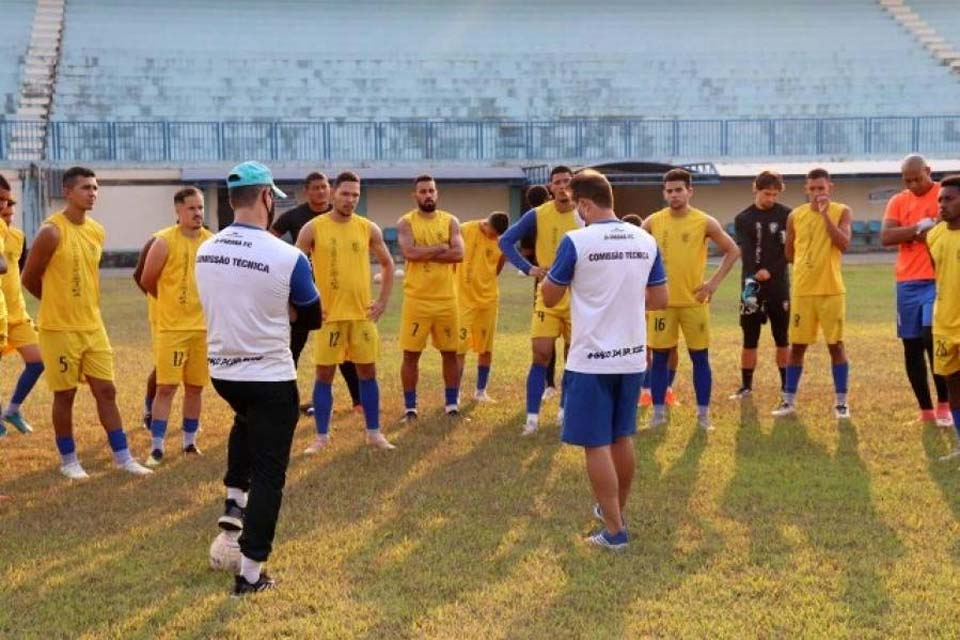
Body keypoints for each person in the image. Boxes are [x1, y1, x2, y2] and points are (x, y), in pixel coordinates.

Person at [195, 161, 322, 596]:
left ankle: (234, 497)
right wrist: (285, 308)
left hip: (223, 373)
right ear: (267, 198)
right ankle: (250, 575)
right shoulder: (287, 256)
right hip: (269, 375)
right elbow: (313, 316)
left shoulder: (205, 249)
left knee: (243, 420)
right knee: (271, 473)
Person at [541, 169, 668, 549]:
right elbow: (660, 300)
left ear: (584, 204)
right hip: (630, 356)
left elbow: (550, 297)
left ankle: (614, 530)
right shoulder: (645, 239)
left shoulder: (576, 241)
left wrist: (553, 275)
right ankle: (614, 511)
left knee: (595, 443)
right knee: (621, 436)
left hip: (591, 358)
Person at [21, 166, 153, 478]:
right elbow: (29, 278)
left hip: (94, 327)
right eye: (85, 188)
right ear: (67, 192)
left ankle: (124, 457)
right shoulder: (51, 231)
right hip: (60, 330)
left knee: (107, 391)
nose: (92, 193)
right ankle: (69, 461)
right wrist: (58, 306)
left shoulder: (96, 230)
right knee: (65, 395)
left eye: (95, 188)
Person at [296, 171, 396, 452]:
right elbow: (293, 266)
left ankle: (374, 433)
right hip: (329, 318)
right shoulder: (313, 228)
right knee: (324, 375)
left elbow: (388, 265)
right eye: (345, 194)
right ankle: (321, 437)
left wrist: (382, 302)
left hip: (361, 316)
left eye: (355, 195)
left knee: (368, 373)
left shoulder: (368, 228)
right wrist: (309, 304)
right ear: (333, 194)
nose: (350, 200)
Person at [643, 168, 740, 430]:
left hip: (694, 303)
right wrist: (643, 288)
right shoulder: (652, 222)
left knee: (700, 358)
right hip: (662, 304)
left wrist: (712, 284)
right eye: (669, 191)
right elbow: (637, 254)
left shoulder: (704, 221)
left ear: (689, 191)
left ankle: (703, 416)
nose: (674, 195)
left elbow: (732, 250)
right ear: (664, 193)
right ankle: (658, 413)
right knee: (660, 358)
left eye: (679, 190)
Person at [271, 171, 361, 416]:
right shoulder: (294, 217)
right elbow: (270, 240)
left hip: (336, 296)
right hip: (303, 293)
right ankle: (287, 402)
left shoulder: (342, 215)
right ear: (306, 191)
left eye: (324, 187)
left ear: (330, 190)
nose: (321, 192)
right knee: (294, 348)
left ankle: (358, 401)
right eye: (316, 188)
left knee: (342, 351)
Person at [499, 166, 580, 436]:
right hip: (547, 295)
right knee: (541, 355)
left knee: (574, 359)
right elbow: (506, 241)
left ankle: (565, 412)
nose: (563, 186)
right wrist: (529, 268)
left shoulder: (585, 214)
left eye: (568, 181)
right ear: (550, 187)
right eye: (558, 182)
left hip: (580, 297)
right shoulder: (538, 214)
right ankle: (531, 420)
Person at [138, 187, 214, 465]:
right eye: (192, 208)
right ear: (178, 211)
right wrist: (171, 305)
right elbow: (147, 280)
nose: (197, 213)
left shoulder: (211, 242)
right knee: (166, 387)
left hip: (202, 329)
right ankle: (157, 446)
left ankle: (190, 442)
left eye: (201, 208)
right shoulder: (163, 242)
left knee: (195, 387)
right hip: (171, 329)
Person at [774, 168, 853, 419]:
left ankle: (841, 402)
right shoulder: (794, 215)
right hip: (803, 292)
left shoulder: (841, 211)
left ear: (830, 187)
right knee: (797, 346)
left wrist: (825, 217)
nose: (817, 193)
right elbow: (788, 253)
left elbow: (843, 243)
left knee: (835, 345)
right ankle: (788, 401)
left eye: (821, 188)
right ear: (806, 189)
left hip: (831, 291)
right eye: (813, 188)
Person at [881, 155, 952, 426]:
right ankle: (925, 410)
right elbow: (887, 237)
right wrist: (917, 230)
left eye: (917, 178)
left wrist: (923, 231)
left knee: (930, 337)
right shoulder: (898, 201)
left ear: (928, 171)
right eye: (907, 180)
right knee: (911, 345)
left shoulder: (943, 195)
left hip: (936, 279)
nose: (913, 184)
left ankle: (944, 403)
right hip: (907, 282)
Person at [396, 175, 465, 419]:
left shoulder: (450, 221)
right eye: (423, 191)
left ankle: (451, 404)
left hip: (446, 300)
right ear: (414, 195)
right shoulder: (406, 222)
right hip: (417, 300)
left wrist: (424, 252)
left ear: (437, 194)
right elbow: (409, 252)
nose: (428, 195)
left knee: (450, 352)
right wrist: (439, 248)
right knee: (411, 354)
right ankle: (410, 407)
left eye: (431, 191)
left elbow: (459, 254)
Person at [730, 171, 792, 400]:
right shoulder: (743, 218)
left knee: (782, 337)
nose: (770, 199)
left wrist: (772, 271)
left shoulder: (787, 215)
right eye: (767, 193)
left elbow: (789, 251)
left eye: (775, 194)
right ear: (755, 188)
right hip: (751, 287)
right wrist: (756, 272)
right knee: (749, 337)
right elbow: (745, 250)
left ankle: (787, 386)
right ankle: (746, 386)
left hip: (778, 285)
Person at [0, 179, 43, 435]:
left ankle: (12, 408)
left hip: (17, 314)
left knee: (38, 361)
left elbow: (22, 271)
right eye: (3, 208)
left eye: (9, 209)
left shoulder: (17, 237)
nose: (7, 213)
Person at [456, 211, 509, 402]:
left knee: (485, 349)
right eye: (492, 233)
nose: (494, 237)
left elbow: (498, 268)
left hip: (488, 301)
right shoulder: (464, 229)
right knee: (459, 349)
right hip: (463, 300)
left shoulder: (501, 243)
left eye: (497, 235)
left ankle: (480, 392)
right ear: (485, 224)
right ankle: (455, 394)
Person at [927, 175, 960, 458]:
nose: (942, 204)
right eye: (940, 199)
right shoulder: (934, 235)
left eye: (950, 199)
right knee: (952, 382)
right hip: (943, 323)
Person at [520, 184, 560, 399]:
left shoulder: (533, 218)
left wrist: (533, 265)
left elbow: (525, 250)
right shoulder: (550, 214)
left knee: (546, 334)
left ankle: (550, 383)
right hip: (571, 279)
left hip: (543, 279)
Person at [132, 235, 158, 430]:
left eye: (199, 208)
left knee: (192, 371)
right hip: (164, 318)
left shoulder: (204, 239)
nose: (197, 213)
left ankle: (189, 422)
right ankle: (149, 408)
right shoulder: (159, 240)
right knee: (163, 368)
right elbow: (139, 275)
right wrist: (160, 300)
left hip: (195, 317)